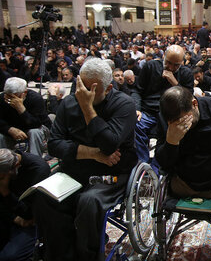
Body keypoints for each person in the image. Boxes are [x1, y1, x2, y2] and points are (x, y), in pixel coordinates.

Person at [33, 57, 138, 261]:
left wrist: (87, 108)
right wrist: (93, 153)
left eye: (91, 89)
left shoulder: (124, 104)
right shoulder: (69, 103)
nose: (83, 93)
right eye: (81, 86)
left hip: (110, 173)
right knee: (43, 197)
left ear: (108, 89)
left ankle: (87, 256)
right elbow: (54, 144)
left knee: (88, 201)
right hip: (74, 169)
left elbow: (109, 145)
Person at [155, 86, 211, 220]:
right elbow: (164, 164)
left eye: (184, 120)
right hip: (183, 184)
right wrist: (171, 142)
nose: (181, 125)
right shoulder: (166, 117)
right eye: (175, 123)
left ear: (194, 104)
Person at [134, 45, 194, 168]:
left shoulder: (186, 73)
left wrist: (175, 83)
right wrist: (137, 108)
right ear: (163, 56)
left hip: (172, 114)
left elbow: (189, 98)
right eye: (168, 63)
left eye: (176, 65)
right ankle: (142, 164)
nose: (171, 67)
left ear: (182, 62)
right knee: (135, 124)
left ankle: (159, 167)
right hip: (149, 110)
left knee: (174, 134)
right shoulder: (150, 66)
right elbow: (137, 90)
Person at [0, 148, 50, 261]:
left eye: (2, 177)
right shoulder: (5, 168)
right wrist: (13, 218)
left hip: (31, 222)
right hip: (10, 215)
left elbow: (30, 214)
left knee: (8, 257)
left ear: (16, 166)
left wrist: (5, 191)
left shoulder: (38, 170)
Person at [0, 78, 51, 157]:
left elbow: (37, 123)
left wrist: (21, 110)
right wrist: (9, 129)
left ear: (24, 93)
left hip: (34, 128)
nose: (9, 99)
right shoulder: (2, 98)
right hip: (12, 129)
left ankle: (35, 159)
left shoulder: (35, 98)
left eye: (13, 97)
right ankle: (4, 161)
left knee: (34, 132)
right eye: (7, 95)